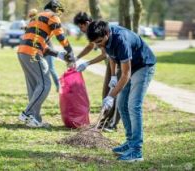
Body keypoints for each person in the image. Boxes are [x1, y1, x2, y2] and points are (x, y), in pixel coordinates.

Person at [86, 20, 156, 162]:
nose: (99, 46)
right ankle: (130, 142)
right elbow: (111, 55)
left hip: (143, 65)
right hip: (129, 67)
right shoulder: (105, 38)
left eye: (100, 42)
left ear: (107, 34)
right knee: (122, 104)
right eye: (96, 43)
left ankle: (136, 151)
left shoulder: (121, 40)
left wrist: (110, 96)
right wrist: (112, 75)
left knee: (133, 105)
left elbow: (125, 74)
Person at [17, 0, 75, 128]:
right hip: (32, 52)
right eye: (60, 11)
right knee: (45, 84)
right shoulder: (52, 16)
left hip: (22, 51)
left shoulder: (37, 18)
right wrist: (70, 51)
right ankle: (27, 113)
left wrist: (60, 55)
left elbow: (44, 46)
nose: (60, 15)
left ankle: (35, 119)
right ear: (55, 8)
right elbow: (61, 36)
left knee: (34, 86)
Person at [74, 12, 120, 132]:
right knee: (106, 92)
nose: (81, 30)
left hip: (119, 61)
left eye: (81, 27)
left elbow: (105, 55)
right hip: (112, 62)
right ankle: (104, 121)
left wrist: (87, 63)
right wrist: (77, 58)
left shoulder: (98, 32)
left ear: (87, 23)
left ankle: (112, 124)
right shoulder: (92, 33)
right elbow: (90, 46)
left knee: (114, 93)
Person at [28, 8, 60, 92]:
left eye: (32, 16)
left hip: (48, 50)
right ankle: (39, 87)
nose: (31, 18)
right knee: (42, 70)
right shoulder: (32, 23)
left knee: (51, 69)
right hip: (41, 51)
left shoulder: (40, 22)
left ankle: (59, 86)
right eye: (30, 16)